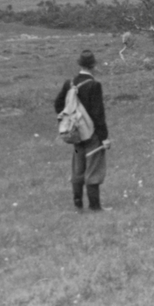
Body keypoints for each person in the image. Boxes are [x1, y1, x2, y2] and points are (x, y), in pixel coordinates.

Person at [54, 49, 112, 211]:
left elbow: (58, 105)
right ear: (93, 65)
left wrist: (68, 121)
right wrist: (104, 137)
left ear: (79, 64)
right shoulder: (94, 85)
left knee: (78, 168)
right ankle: (94, 206)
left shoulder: (69, 83)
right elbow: (98, 114)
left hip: (75, 134)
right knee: (93, 168)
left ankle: (78, 204)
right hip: (91, 134)